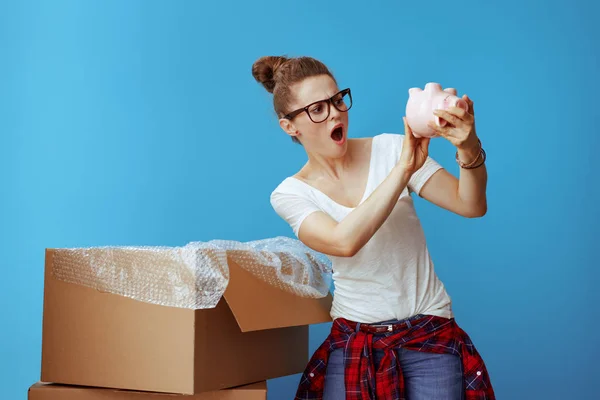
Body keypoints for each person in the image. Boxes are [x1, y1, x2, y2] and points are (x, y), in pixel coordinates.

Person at [252, 55, 495, 400]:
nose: (335, 113)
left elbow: (471, 205)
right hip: (357, 340)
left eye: (337, 100)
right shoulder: (290, 193)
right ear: (290, 126)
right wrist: (402, 171)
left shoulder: (392, 148)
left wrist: (468, 146)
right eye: (317, 109)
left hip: (430, 334)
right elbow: (343, 241)